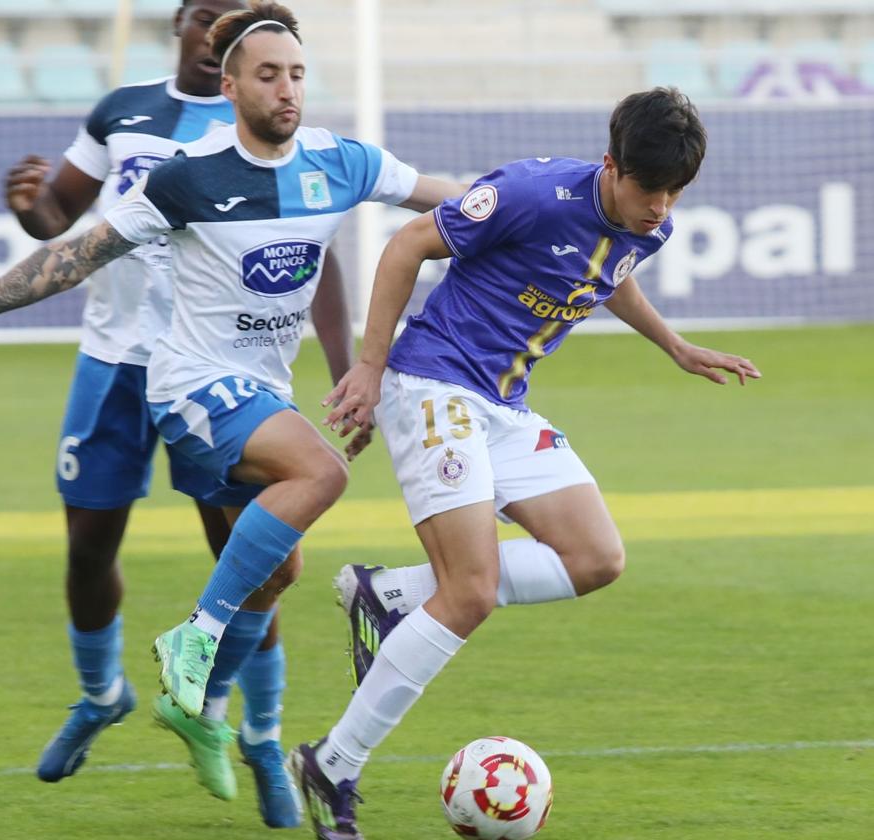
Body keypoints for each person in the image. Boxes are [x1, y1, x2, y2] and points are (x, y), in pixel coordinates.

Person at [0, 0, 461, 818]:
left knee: (279, 571)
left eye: (295, 73)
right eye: (267, 75)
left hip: (261, 390)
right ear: (231, 86)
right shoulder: (187, 178)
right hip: (187, 384)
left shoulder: (342, 162)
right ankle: (191, 642)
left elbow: (457, 203)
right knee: (320, 471)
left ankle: (202, 704)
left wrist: (543, 206)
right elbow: (71, 256)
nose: (286, 89)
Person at [287, 87, 762, 840]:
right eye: (650, 190)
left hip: (503, 406)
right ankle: (332, 764)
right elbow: (408, 243)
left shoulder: (650, 222)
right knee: (469, 592)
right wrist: (370, 369)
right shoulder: (532, 196)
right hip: (432, 383)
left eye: (675, 194)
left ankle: (391, 595)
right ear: (611, 166)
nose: (661, 208)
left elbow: (612, 268)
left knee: (595, 556)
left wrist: (674, 345)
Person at [2, 0, 355, 825]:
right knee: (89, 547)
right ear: (182, 24)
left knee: (252, 559)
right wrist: (30, 209)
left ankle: (261, 737)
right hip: (113, 363)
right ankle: (101, 696)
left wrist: (345, 363)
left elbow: (314, 245)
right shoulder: (123, 111)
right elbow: (63, 219)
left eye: (230, 17)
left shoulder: (262, 122)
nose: (214, 27)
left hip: (214, 374)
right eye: (204, 13)